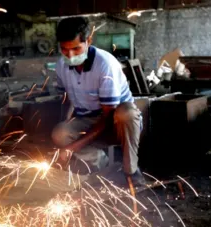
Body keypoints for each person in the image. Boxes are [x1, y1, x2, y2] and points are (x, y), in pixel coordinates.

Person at [52, 17, 144, 186]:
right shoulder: (61, 66)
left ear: (88, 41)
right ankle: (101, 166)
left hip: (117, 122)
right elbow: (64, 101)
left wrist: (72, 148)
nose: (70, 55)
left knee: (126, 113)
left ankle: (132, 172)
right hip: (87, 120)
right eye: (65, 50)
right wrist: (61, 140)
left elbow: (108, 118)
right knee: (60, 133)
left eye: (76, 49)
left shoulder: (105, 64)